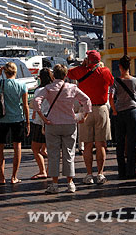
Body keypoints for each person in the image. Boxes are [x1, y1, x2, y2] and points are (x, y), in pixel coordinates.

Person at [33, 64, 91, 194]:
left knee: (53, 154)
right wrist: (84, 116)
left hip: (52, 123)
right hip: (69, 123)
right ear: (65, 75)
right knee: (69, 153)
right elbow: (86, 100)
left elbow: (36, 101)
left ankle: (54, 184)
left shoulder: (48, 88)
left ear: (54, 75)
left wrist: (43, 117)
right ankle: (70, 183)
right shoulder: (72, 87)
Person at [68, 50, 114, 184]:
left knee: (87, 145)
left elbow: (68, 73)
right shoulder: (105, 71)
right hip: (101, 109)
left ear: (88, 60)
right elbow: (111, 82)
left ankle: (89, 174)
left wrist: (83, 65)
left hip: (85, 110)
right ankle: (100, 174)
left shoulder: (81, 71)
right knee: (101, 144)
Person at [0, 62, 30, 185]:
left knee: (0, 148)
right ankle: (14, 176)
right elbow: (25, 105)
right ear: (15, 71)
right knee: (17, 147)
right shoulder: (22, 85)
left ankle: (1, 177)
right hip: (18, 118)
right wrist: (28, 122)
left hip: (3, 119)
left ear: (5, 72)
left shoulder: (1, 83)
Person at [109, 55, 136, 179]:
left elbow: (111, 98)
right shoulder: (135, 80)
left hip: (120, 111)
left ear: (120, 67)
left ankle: (121, 171)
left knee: (120, 142)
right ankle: (131, 171)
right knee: (132, 142)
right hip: (133, 110)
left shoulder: (115, 81)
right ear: (129, 66)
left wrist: (115, 110)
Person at [29, 68, 53, 180]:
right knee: (52, 149)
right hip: (52, 122)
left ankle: (42, 170)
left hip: (39, 122)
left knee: (35, 148)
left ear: (40, 78)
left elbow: (36, 105)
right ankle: (49, 170)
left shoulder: (38, 90)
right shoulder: (54, 89)